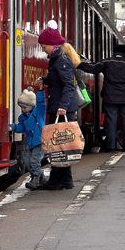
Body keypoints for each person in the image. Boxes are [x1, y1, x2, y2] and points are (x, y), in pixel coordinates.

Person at [39, 23, 80, 190]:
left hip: (62, 108)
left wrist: (62, 106)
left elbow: (68, 84)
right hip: (61, 106)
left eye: (44, 46)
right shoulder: (58, 59)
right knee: (63, 144)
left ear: (51, 44)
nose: (43, 49)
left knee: (57, 144)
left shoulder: (61, 60)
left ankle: (57, 181)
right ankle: (65, 180)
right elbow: (59, 80)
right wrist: (46, 80)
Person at [79, 43, 125, 152]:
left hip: (110, 97)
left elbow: (92, 68)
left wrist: (78, 63)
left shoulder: (107, 62)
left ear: (114, 51)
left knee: (111, 121)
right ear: (124, 52)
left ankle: (111, 146)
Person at [14, 88, 46, 189]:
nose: (23, 109)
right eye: (21, 107)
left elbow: (41, 102)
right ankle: (40, 177)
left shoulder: (38, 112)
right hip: (30, 142)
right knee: (27, 161)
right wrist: (13, 127)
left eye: (25, 107)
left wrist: (40, 91)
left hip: (39, 142)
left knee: (34, 160)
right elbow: (21, 128)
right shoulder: (22, 117)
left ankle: (35, 179)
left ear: (31, 105)